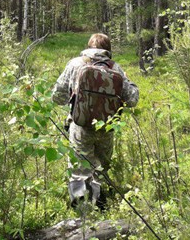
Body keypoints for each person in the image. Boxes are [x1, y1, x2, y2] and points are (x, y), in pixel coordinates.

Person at [51, 33, 139, 209]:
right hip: (107, 127)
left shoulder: (75, 64)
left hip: (80, 126)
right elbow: (132, 100)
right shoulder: (115, 68)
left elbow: (57, 96)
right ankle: (99, 206)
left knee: (78, 169)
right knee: (100, 168)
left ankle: (80, 211)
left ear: (88, 46)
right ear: (108, 50)